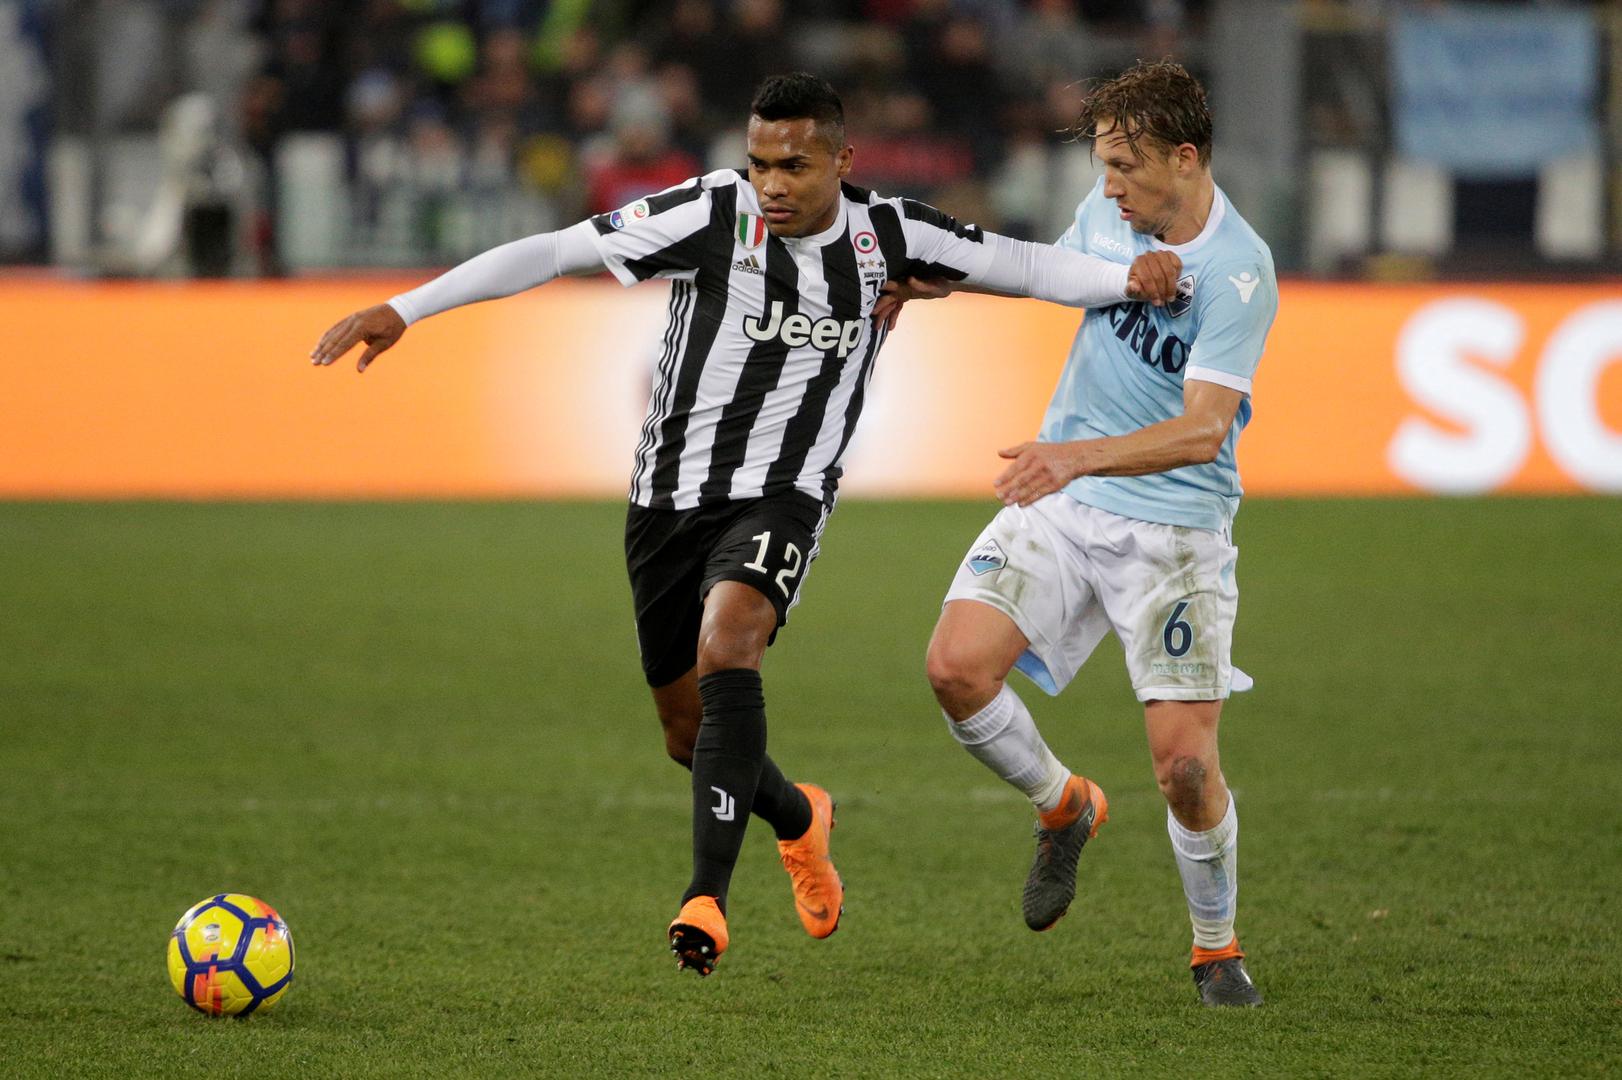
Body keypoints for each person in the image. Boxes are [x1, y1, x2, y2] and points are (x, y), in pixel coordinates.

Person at [309, 71, 1181, 978]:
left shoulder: (892, 236)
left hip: (785, 495)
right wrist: (406, 306)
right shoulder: (710, 213)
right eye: (759, 162)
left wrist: (1130, 276)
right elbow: (557, 251)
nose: (772, 183)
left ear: (842, 161)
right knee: (687, 737)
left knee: (731, 644)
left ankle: (706, 900)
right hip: (666, 500)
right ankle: (800, 817)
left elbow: (1028, 266)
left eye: (794, 166)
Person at [889, 60, 1277, 1006]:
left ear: (1185, 158)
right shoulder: (1110, 222)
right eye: (1103, 165)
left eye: (1123, 167)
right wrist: (928, 285)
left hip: (1175, 531)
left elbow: (1202, 432)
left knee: (1185, 766)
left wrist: (1075, 457)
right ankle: (1063, 804)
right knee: (955, 668)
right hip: (1067, 505)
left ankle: (1215, 948)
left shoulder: (1240, 272)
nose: (1107, 188)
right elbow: (1048, 274)